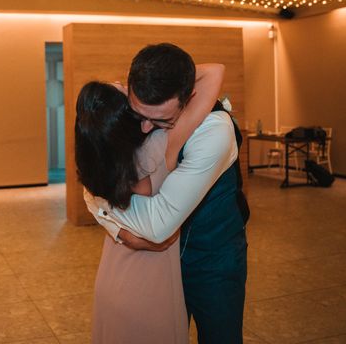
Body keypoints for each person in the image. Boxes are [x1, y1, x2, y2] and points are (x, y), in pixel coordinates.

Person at [85, 43, 248, 344]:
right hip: (161, 264)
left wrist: (103, 207)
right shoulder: (137, 100)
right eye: (138, 115)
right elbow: (98, 172)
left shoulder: (214, 132)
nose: (145, 128)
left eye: (161, 121)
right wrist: (115, 227)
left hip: (212, 258)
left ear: (190, 98)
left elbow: (159, 225)